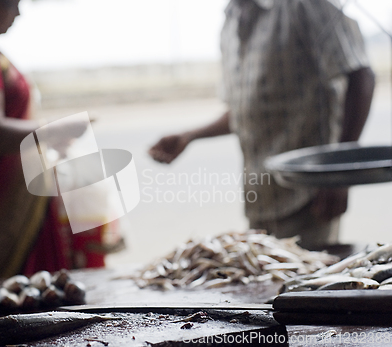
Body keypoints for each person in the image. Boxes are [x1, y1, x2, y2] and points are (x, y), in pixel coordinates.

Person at [149, 0, 375, 250]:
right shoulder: (231, 20)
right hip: (260, 197)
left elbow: (360, 77)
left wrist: (338, 174)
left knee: (307, 280)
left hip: (308, 198)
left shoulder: (304, 5)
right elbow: (247, 109)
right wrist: (189, 136)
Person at [0, 0, 112, 285]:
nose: (17, 12)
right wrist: (55, 130)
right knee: (11, 296)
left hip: (4, 190)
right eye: (10, 3)